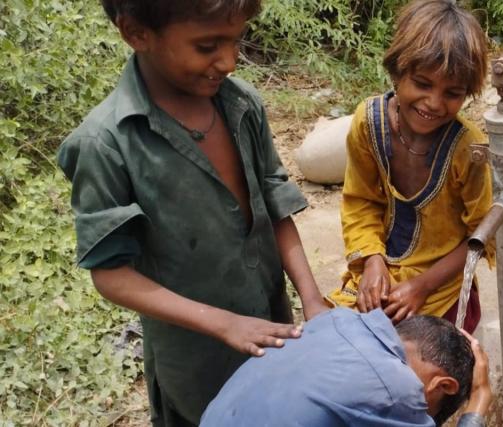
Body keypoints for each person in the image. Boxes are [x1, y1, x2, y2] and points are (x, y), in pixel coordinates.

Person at [57, 1, 331, 424]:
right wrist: (224, 324)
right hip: (194, 363)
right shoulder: (106, 143)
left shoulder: (243, 106)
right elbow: (111, 274)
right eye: (207, 46)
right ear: (136, 33)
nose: (229, 60)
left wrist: (311, 299)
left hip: (272, 330)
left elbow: (274, 204)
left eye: (235, 40)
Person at [327, 0, 493, 333]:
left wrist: (422, 286)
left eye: (452, 93)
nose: (433, 103)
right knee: (338, 341)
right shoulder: (368, 123)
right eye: (422, 84)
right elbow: (361, 202)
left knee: (421, 361)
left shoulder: (469, 149)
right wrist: (373, 262)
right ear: (397, 71)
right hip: (380, 274)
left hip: (440, 288)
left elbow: (483, 237)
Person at [200, 309, 493, 426]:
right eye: (429, 412)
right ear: (443, 385)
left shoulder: (338, 320)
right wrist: (478, 403)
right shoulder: (397, 389)